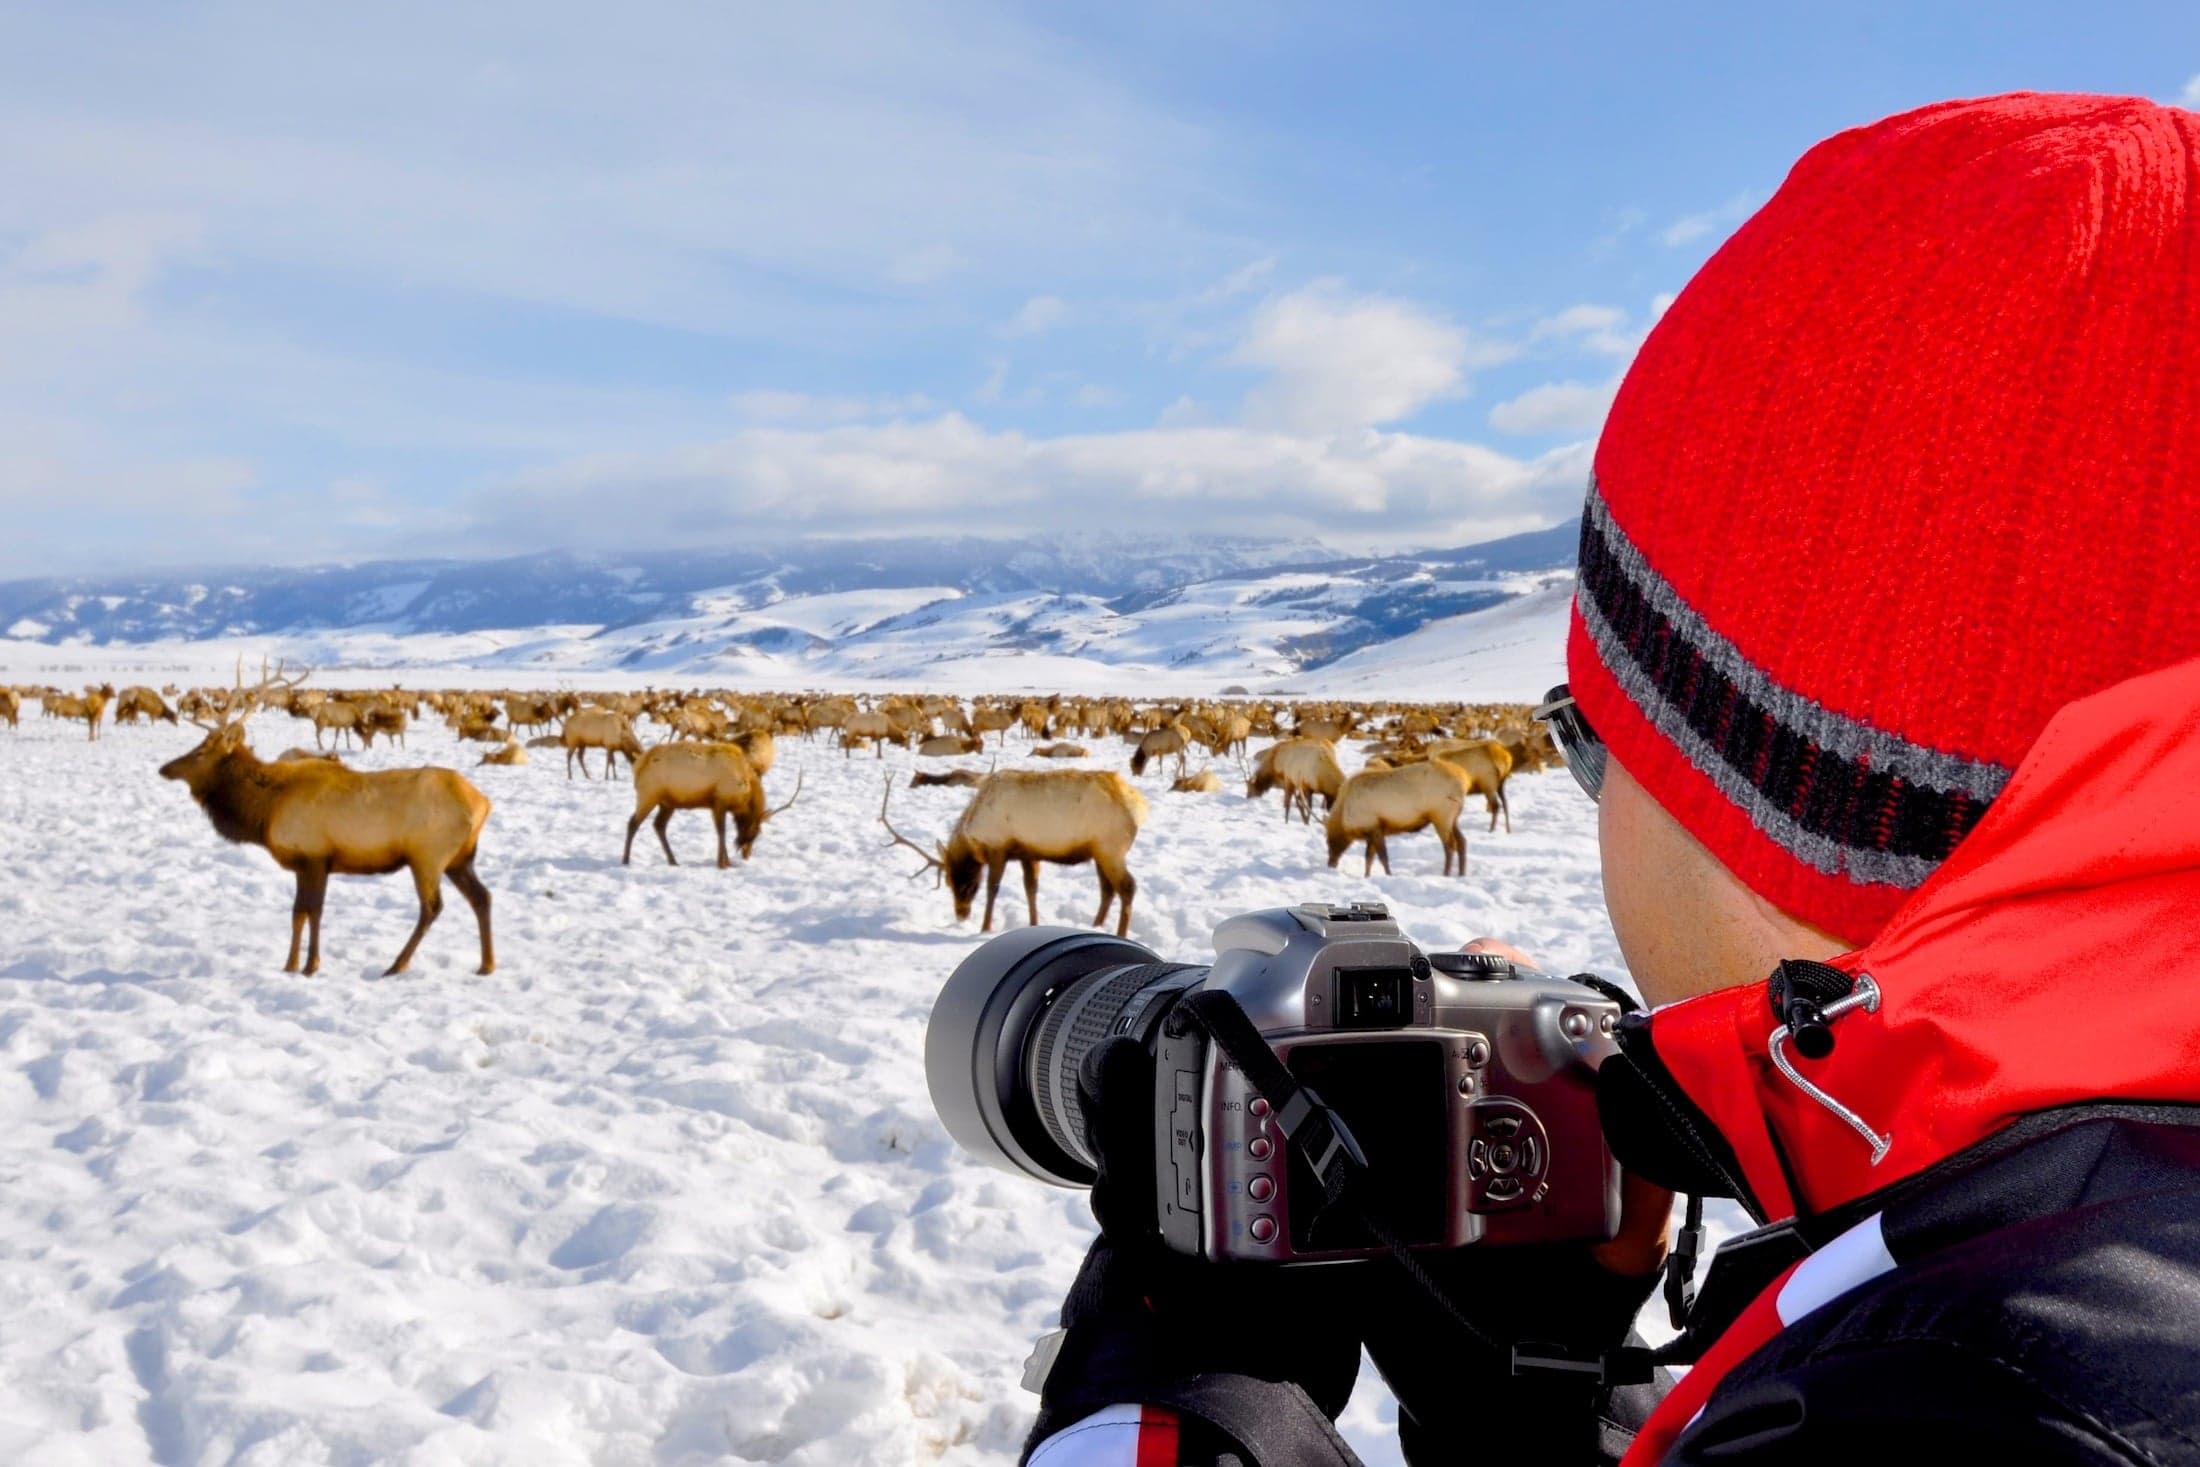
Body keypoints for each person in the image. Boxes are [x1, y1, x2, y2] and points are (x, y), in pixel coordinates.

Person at [1021, 91, 2200, 1465]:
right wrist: (1534, 1407)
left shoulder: (1976, 1411)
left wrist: (1173, 1400)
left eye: (1593, 735)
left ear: (1755, 805)